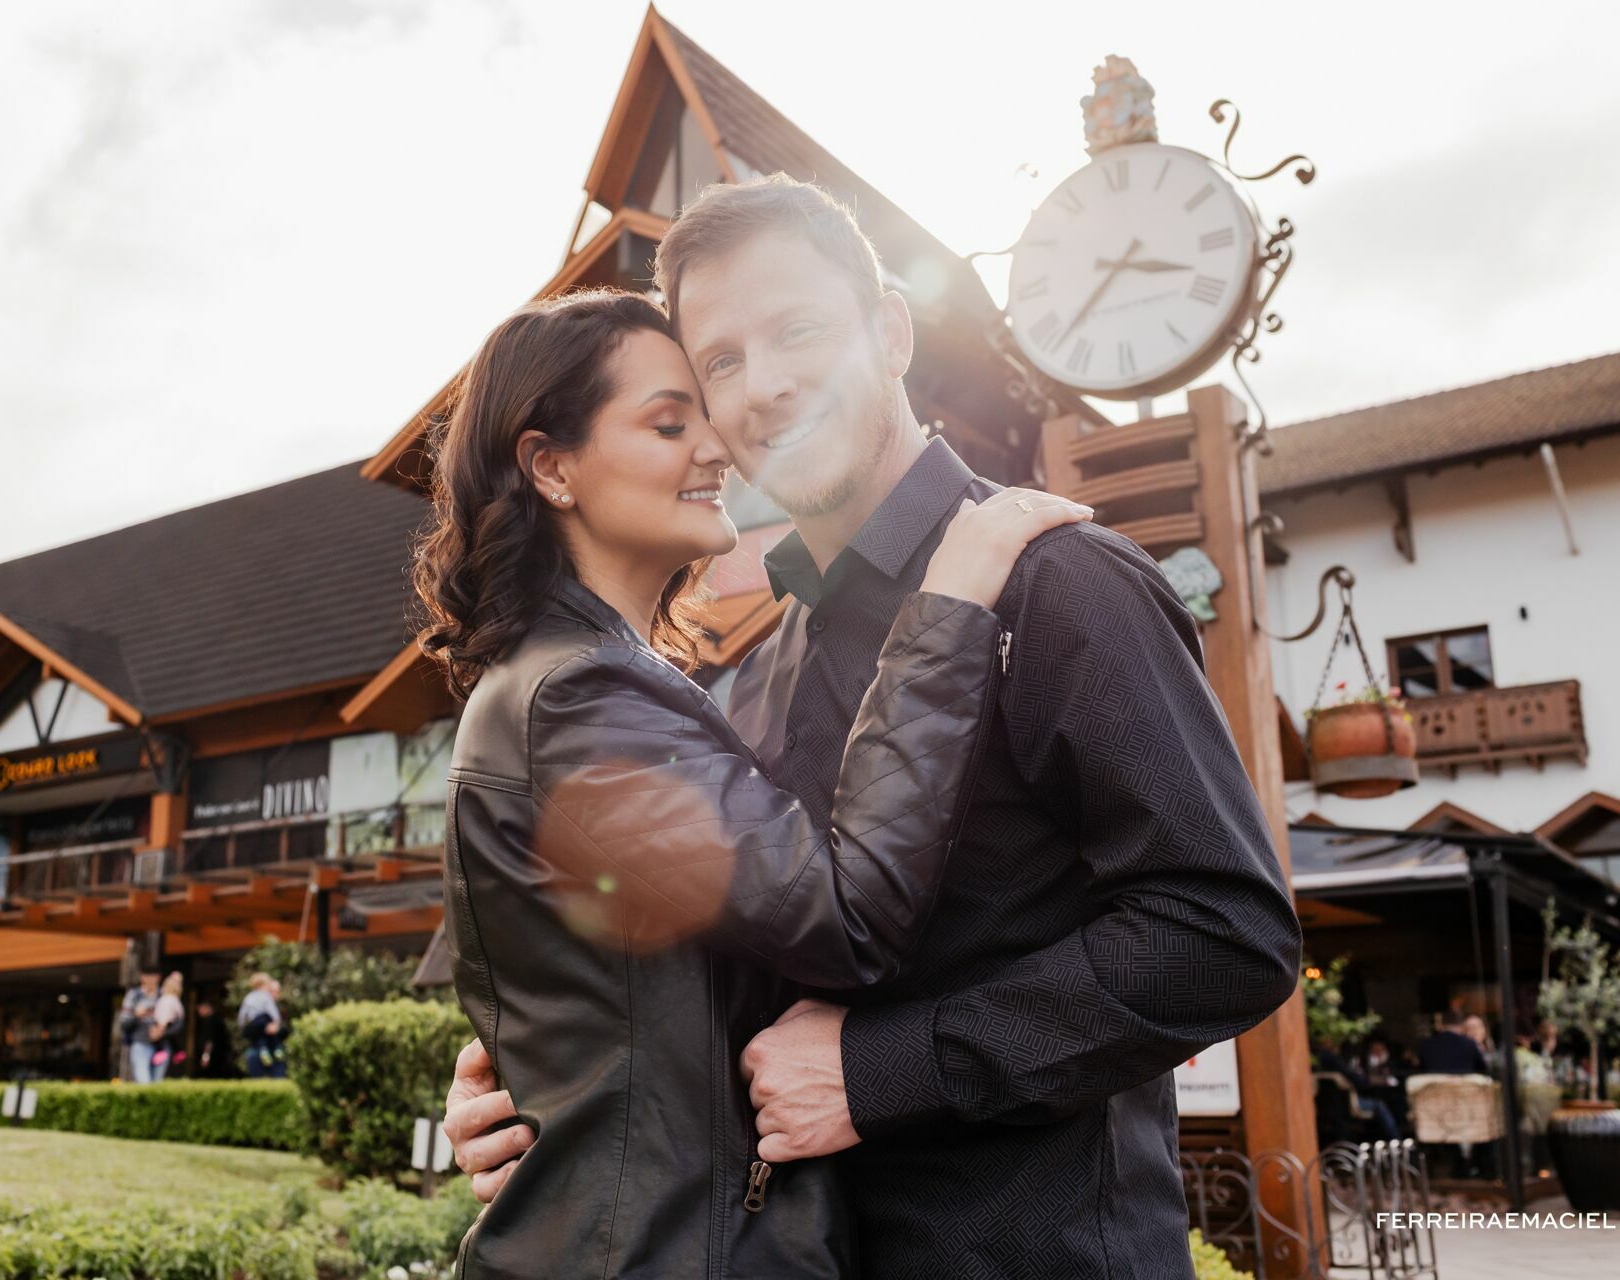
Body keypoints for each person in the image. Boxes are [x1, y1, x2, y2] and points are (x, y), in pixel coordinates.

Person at [441, 176, 1303, 1278]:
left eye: (798, 329)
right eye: (720, 364)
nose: (767, 386)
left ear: (890, 330)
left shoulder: (1058, 583)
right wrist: (555, 1090)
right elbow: (723, 966)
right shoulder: (751, 673)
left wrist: (883, 1070)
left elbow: (1225, 933)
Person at [236, 973, 284, 1079]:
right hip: (258, 1047)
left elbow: (242, 1015)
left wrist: (242, 1025)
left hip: (255, 1025)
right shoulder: (266, 998)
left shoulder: (249, 997)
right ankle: (272, 1050)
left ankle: (266, 1050)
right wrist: (276, 1022)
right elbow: (273, 1012)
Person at [1417, 1009, 1492, 1075]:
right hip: (1465, 1089)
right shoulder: (1469, 1044)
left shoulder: (1426, 1045)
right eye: (1471, 1028)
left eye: (1479, 1026)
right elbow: (1483, 1072)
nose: (1475, 1031)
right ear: (1462, 1027)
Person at [120, 971, 160, 1084]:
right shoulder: (134, 995)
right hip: (140, 1042)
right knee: (144, 1082)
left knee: (157, 1084)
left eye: (154, 976)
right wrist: (137, 1015)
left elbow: (178, 1020)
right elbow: (124, 1022)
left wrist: (161, 1029)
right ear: (142, 978)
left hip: (161, 1045)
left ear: (158, 977)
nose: (151, 980)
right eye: (148, 976)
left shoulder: (163, 994)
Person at [189, 996, 238, 1079]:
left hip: (213, 1057)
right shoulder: (218, 1020)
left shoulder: (211, 1022)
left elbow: (209, 1041)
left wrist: (206, 1056)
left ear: (207, 1008)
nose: (199, 1012)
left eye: (200, 1009)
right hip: (218, 1056)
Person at [149, 972, 186, 1082]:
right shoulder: (176, 1000)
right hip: (170, 1033)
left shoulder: (166, 1000)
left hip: (163, 1031)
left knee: (157, 1072)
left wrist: (159, 1029)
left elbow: (164, 1017)